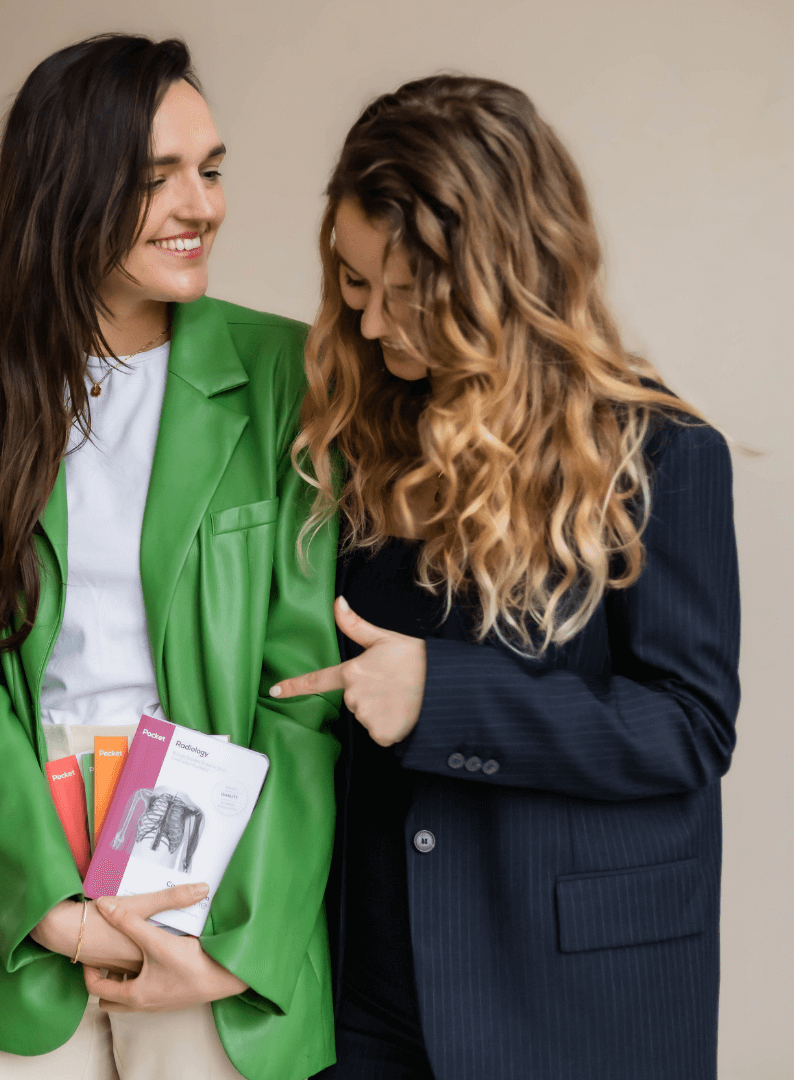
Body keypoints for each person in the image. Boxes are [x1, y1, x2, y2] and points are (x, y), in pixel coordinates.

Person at [271, 74, 739, 1080]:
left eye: (406, 298)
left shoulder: (658, 452)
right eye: (354, 285)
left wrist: (445, 700)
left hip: (570, 999)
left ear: (498, 284)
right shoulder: (355, 438)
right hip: (365, 992)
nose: (367, 326)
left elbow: (690, 727)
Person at [0, 35, 340, 1080]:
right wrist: (52, 906)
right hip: (17, 904)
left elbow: (307, 693)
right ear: (66, 192)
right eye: (157, 180)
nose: (203, 206)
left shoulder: (289, 372)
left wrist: (239, 939)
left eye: (212, 169)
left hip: (216, 909)